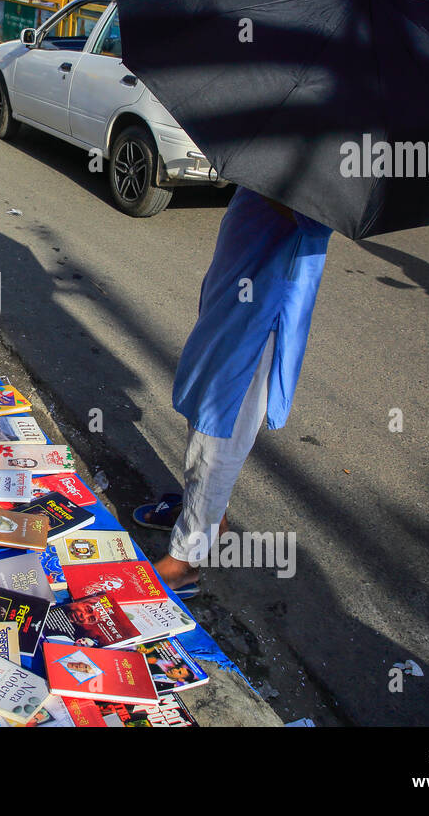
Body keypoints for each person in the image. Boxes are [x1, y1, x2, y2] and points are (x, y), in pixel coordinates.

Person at [133, 190, 332, 594]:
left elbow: (313, 210)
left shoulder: (318, 172)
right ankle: (209, 518)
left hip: (256, 320)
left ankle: (185, 561)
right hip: (229, 303)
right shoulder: (279, 150)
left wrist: (276, 182)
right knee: (203, 415)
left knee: (217, 435)